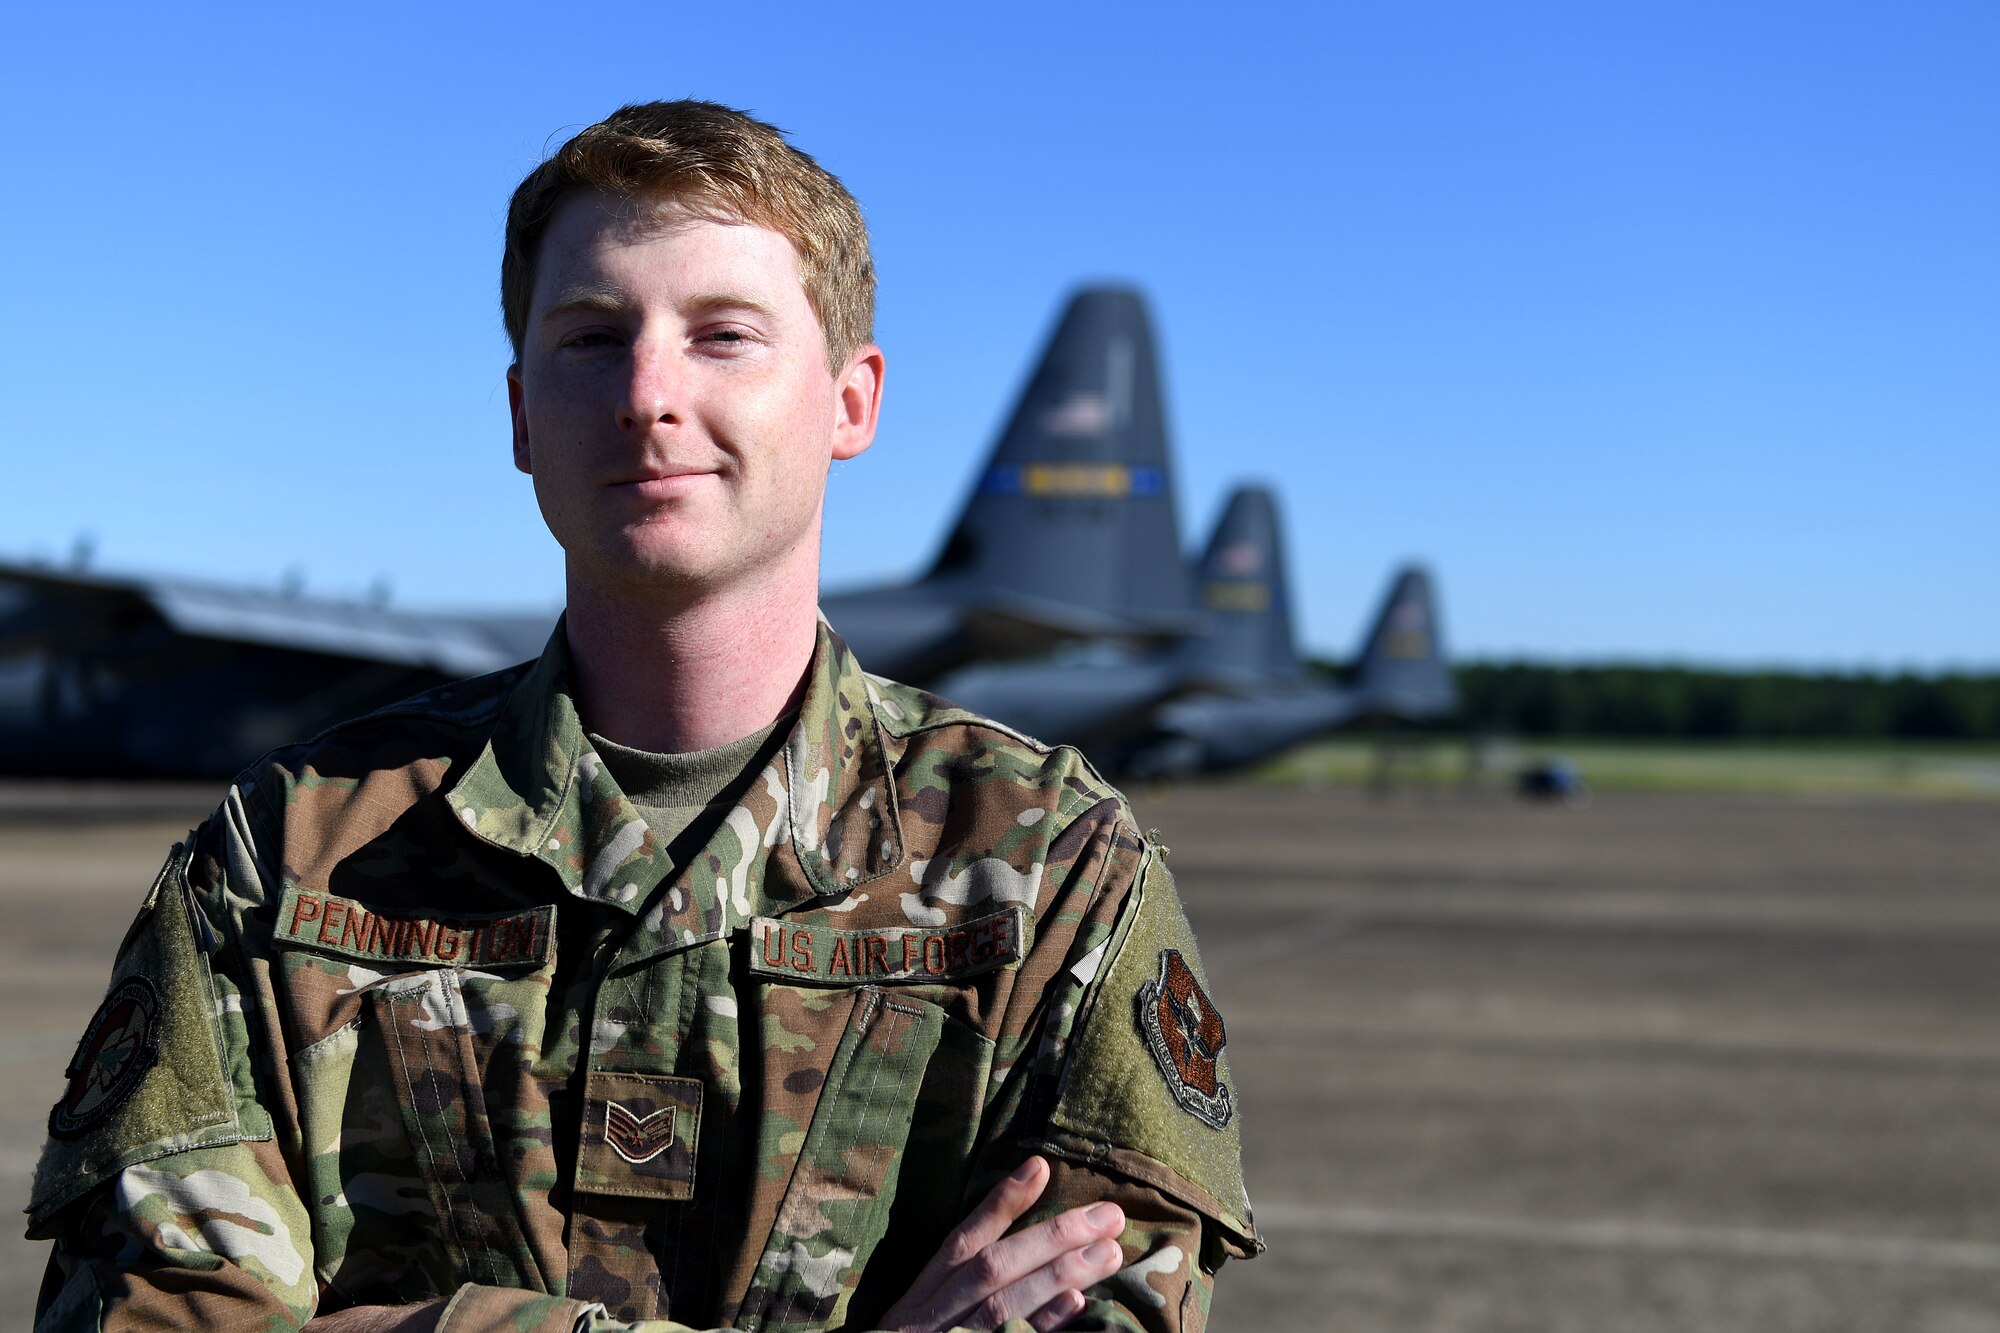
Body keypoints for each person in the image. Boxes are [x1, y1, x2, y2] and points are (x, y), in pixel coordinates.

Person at [27, 101, 1260, 1333]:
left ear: (850, 402)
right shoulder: (278, 858)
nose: (646, 394)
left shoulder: (1052, 867)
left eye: (724, 335)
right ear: (519, 414)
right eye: (589, 338)